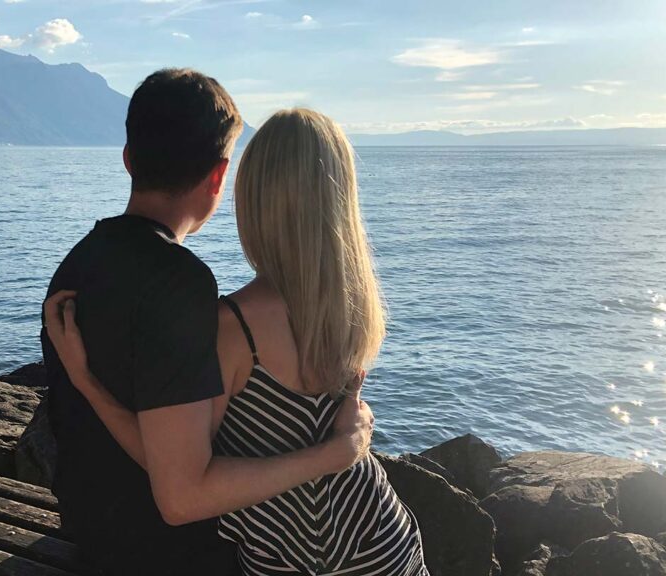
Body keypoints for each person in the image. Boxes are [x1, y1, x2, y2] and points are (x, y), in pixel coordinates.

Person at [45, 108, 428, 575]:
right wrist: (336, 454)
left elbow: (179, 487)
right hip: (382, 538)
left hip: (292, 560)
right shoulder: (353, 304)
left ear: (254, 197)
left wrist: (87, 384)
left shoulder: (235, 328)